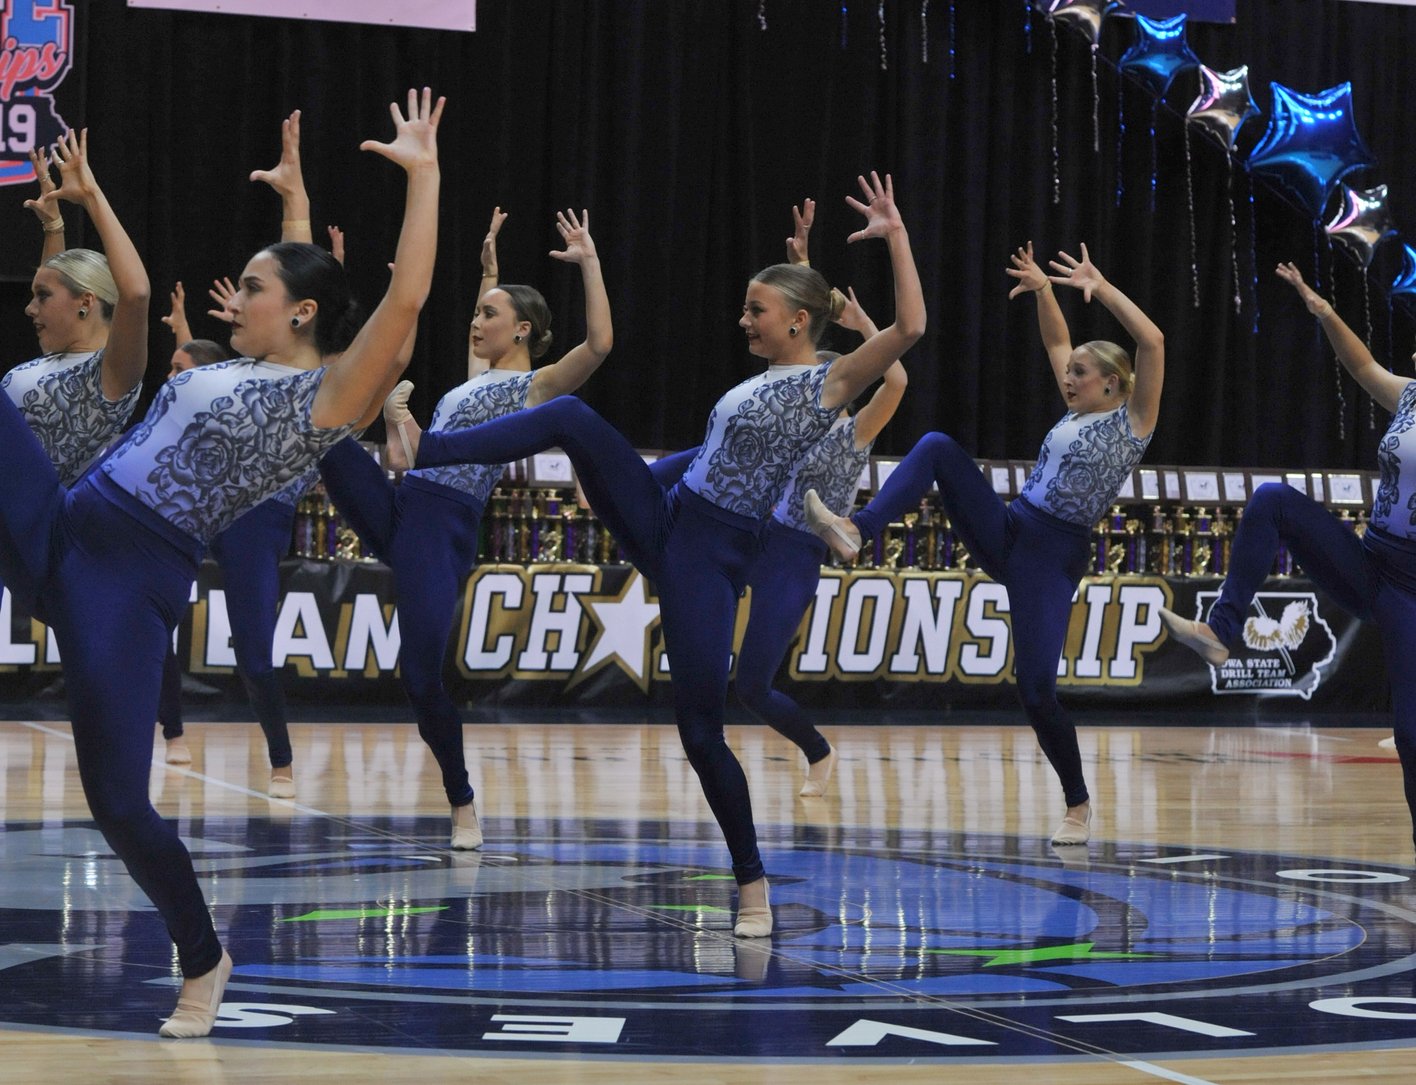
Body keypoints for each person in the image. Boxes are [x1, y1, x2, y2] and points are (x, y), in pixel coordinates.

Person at [1, 89, 442, 1037]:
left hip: (128, 579)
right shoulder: (234, 362)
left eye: (255, 290)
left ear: (304, 315)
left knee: (118, 800)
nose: (234, 297)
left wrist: (425, 176)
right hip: (68, 523)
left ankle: (202, 953)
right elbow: (297, 263)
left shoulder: (327, 398)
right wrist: (289, 194)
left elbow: (402, 299)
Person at [393, 172, 925, 936]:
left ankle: (752, 885)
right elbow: (705, 454)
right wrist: (629, 479)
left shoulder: (828, 385)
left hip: (709, 557)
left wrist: (897, 236)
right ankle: (431, 449)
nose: (743, 318)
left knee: (701, 729)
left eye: (757, 310)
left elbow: (908, 328)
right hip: (667, 513)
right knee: (571, 416)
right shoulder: (759, 384)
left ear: (800, 322)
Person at [805, 240, 1164, 846]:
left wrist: (1098, 288)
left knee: (1036, 690)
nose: (1067, 377)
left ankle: (1077, 804)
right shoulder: (1077, 413)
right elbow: (1055, 342)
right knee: (939, 447)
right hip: (1013, 527)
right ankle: (855, 528)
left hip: (1053, 556)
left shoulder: (1135, 422)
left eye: (1080, 372)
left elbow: (1152, 342)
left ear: (1112, 383)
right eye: (1069, 372)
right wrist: (1047, 292)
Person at [319, 202, 612, 850]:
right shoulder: (466, 384)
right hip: (403, 500)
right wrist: (488, 271)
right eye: (479, 313)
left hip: (441, 528)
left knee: (419, 677)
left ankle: (461, 799)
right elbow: (413, 446)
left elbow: (598, 345)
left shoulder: (537, 387)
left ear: (525, 328)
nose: (476, 322)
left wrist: (589, 262)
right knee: (320, 428)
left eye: (489, 315)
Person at [1160, 261, 1416, 849]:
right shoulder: (1408, 397)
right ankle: (1221, 633)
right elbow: (1363, 367)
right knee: (1271, 500)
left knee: (1409, 733)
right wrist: (1324, 313)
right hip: (1369, 559)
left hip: (1410, 589)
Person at [734, 199, 907, 798]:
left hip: (796, 551)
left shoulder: (857, 427)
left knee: (751, 686)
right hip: (750, 530)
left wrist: (862, 326)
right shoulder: (791, 405)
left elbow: (898, 377)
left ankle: (817, 751)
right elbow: (799, 341)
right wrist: (802, 267)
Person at [6, 138, 146, 490]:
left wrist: (91, 197)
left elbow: (136, 293)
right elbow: (57, 279)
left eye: (41, 297)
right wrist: (54, 227)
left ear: (86, 302)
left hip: (29, 529)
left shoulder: (110, 375)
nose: (29, 308)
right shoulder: (59, 353)